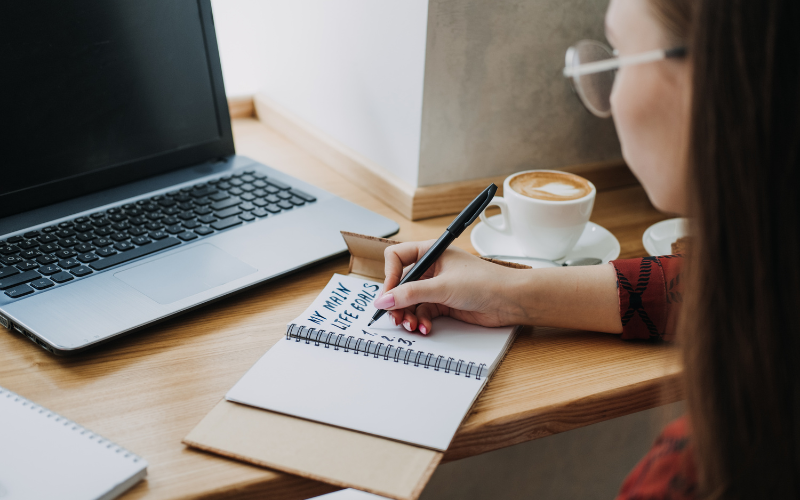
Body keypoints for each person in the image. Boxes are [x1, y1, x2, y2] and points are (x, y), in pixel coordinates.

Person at [373, 0, 800, 497]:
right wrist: (513, 290)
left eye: (617, 56)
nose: (610, 101)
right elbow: (709, 283)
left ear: (717, 78)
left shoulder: (706, 473)